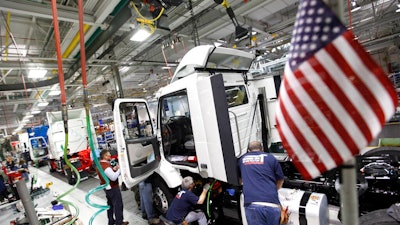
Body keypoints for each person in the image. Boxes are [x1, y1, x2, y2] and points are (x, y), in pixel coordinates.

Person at [238, 141, 285, 225]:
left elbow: (240, 180)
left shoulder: (242, 159)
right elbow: (280, 179)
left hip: (252, 203)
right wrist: (274, 190)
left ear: (248, 150)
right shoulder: (271, 158)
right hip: (272, 204)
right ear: (262, 149)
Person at [96, 149, 128, 225]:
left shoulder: (100, 164)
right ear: (105, 156)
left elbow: (107, 174)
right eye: (108, 154)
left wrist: (114, 169)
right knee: (118, 205)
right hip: (113, 188)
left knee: (110, 205)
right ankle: (119, 222)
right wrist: (120, 169)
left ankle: (111, 221)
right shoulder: (105, 166)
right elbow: (113, 177)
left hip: (107, 188)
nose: (110, 155)